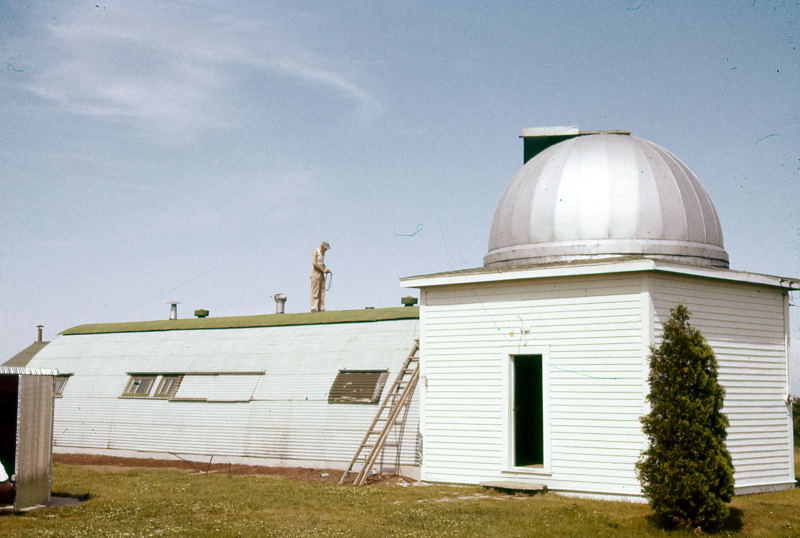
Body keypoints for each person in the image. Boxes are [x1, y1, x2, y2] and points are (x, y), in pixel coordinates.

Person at [310, 241, 332, 312]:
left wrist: (326, 269)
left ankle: (321, 307)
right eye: (325, 248)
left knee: (322, 290)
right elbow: (314, 263)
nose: (326, 250)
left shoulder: (323, 254)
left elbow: (322, 263)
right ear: (322, 246)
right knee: (315, 290)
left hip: (321, 273)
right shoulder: (316, 251)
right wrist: (323, 270)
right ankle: (314, 307)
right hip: (315, 273)